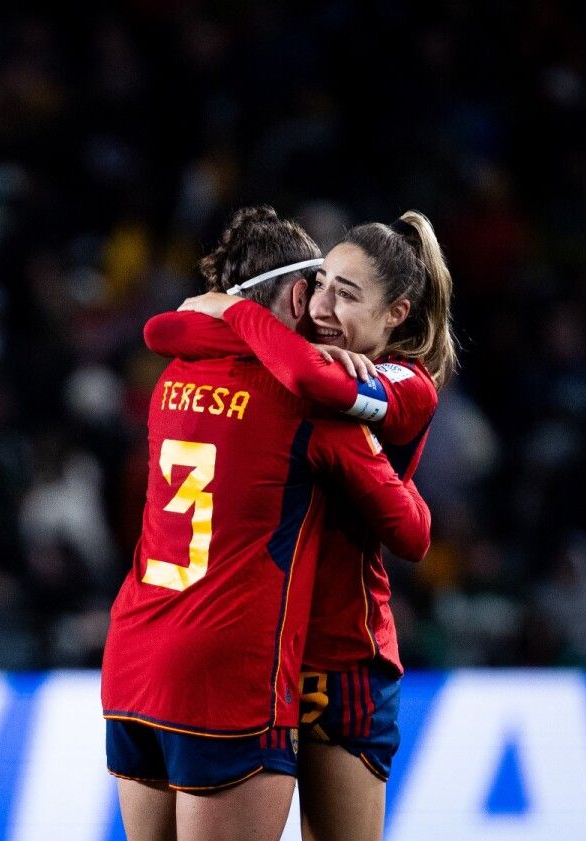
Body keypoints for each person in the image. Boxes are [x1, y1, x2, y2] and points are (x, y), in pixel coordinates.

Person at [101, 206, 433, 841]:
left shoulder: (177, 373)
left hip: (151, 655)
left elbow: (164, 332)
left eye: (346, 292)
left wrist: (226, 310)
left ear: (398, 313)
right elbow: (414, 530)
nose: (323, 310)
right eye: (320, 289)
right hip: (255, 661)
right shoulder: (309, 401)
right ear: (298, 290)